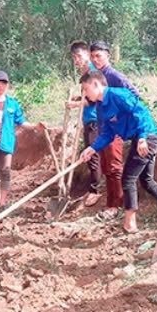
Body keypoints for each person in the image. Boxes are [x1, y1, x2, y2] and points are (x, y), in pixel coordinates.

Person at [79, 70, 157, 233]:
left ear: (96, 84)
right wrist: (92, 148)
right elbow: (107, 133)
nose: (85, 94)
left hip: (147, 138)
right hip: (138, 139)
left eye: (86, 89)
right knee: (147, 181)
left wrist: (142, 137)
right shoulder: (101, 108)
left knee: (128, 179)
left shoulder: (119, 95)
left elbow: (140, 112)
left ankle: (130, 222)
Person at [88, 40, 142, 220]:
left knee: (114, 167)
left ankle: (116, 206)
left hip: (114, 130)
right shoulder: (95, 76)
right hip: (104, 129)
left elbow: (135, 95)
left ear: (107, 55)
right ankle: (110, 203)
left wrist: (120, 117)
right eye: (93, 56)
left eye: (99, 55)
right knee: (106, 167)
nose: (95, 59)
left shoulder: (114, 76)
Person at [0, 70, 39, 207]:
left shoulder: (12, 104)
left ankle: (2, 201)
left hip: (6, 142)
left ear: (7, 85)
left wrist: (35, 126)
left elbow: (21, 122)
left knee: (5, 170)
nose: (0, 86)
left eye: (4, 83)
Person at [67, 41, 103, 207]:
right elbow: (85, 96)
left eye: (79, 56)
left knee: (92, 155)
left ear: (87, 54)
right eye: (74, 57)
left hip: (94, 119)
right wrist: (76, 99)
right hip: (88, 119)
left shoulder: (92, 72)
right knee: (90, 155)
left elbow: (92, 99)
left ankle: (95, 190)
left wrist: (76, 104)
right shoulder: (85, 72)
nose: (77, 60)